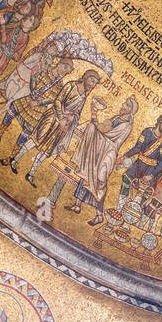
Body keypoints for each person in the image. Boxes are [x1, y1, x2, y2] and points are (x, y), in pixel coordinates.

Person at [64, 96, 138, 225]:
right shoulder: (116, 118)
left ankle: (99, 215)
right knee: (88, 172)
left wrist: (94, 116)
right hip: (99, 147)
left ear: (131, 110)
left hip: (108, 153)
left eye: (126, 105)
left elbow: (107, 133)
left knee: (100, 180)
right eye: (124, 103)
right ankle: (77, 204)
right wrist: (94, 122)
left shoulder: (126, 125)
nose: (122, 105)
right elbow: (101, 128)